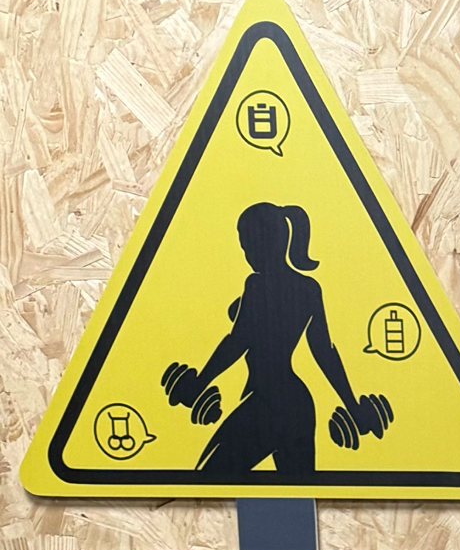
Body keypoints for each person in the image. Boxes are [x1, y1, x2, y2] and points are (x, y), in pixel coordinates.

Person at [160, 201, 392, 479]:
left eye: (249, 244)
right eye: (244, 246)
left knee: (208, 477)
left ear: (270, 241)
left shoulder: (257, 286)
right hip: (299, 407)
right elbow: (325, 352)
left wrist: (201, 382)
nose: (247, 254)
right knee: (298, 489)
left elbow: (238, 341)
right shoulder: (309, 288)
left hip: (267, 404)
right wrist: (353, 406)